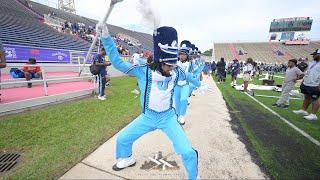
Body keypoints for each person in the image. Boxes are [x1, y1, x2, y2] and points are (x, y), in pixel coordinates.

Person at [98, 23, 200, 179]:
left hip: (168, 118)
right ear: (159, 60)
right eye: (168, 64)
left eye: (173, 64)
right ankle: (126, 158)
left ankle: (193, 177)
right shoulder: (143, 71)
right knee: (123, 139)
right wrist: (106, 38)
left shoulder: (176, 71)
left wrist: (200, 84)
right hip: (148, 117)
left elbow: (189, 77)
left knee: (187, 151)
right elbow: (118, 63)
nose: (171, 68)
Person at [293, 49, 320, 121]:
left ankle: (313, 115)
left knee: (315, 99)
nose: (313, 56)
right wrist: (303, 80)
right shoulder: (313, 62)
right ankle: (303, 110)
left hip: (315, 84)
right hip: (307, 83)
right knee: (307, 97)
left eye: (315, 54)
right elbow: (307, 72)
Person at [175, 40, 194, 125]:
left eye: (184, 54)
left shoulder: (190, 63)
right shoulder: (175, 62)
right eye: (180, 54)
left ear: (187, 55)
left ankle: (182, 115)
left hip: (185, 84)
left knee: (183, 99)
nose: (182, 56)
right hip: (176, 85)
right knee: (177, 101)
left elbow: (192, 74)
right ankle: (178, 115)